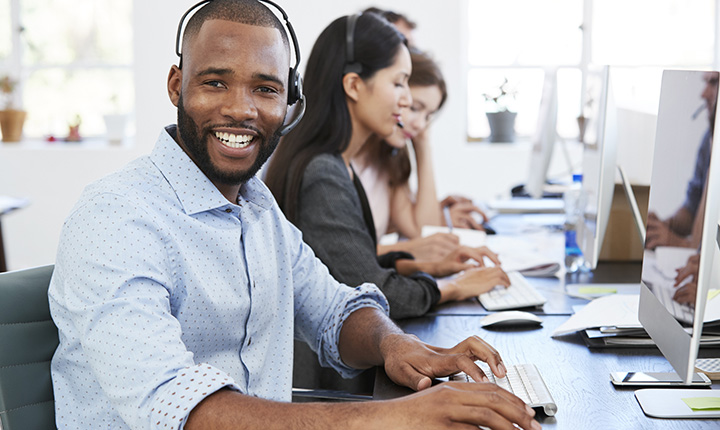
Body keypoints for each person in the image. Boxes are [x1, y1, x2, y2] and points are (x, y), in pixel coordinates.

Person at [47, 2, 538, 429]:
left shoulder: (258, 208)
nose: (241, 110)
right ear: (177, 85)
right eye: (215, 82)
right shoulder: (115, 218)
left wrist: (396, 344)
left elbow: (334, 312)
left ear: (290, 102)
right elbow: (182, 409)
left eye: (265, 89)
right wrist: (394, 417)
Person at [266, 12, 510, 320]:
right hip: (328, 365)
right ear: (354, 85)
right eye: (399, 83)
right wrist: (453, 286)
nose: (407, 100)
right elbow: (374, 293)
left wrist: (429, 266)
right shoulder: (322, 173)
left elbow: (352, 264)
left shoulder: (337, 164)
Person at [353, 49, 491, 262]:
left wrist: (423, 145)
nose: (420, 124)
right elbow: (340, 251)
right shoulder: (342, 161)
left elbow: (422, 230)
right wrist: (410, 248)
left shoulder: (389, 158)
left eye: (429, 116)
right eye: (415, 108)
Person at [646, 72, 718, 250]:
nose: (703, 94)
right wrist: (663, 227)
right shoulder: (708, 142)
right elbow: (691, 209)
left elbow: (710, 250)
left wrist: (676, 242)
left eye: (714, 82)